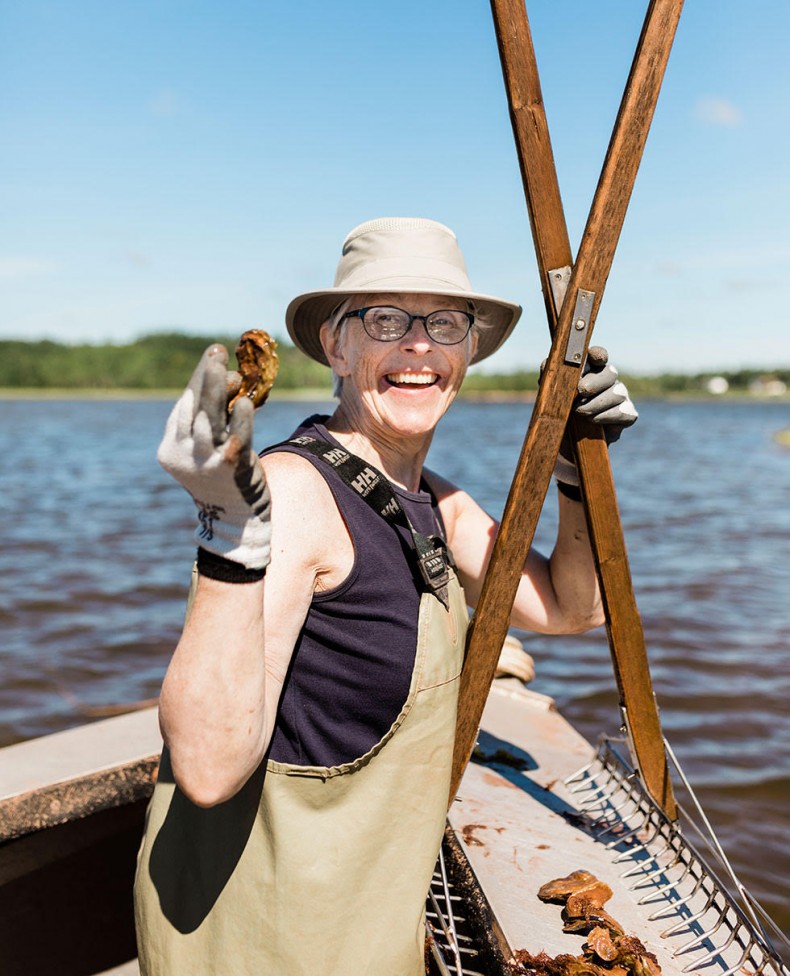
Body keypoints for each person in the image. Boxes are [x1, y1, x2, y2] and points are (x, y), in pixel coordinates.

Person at [134, 217, 637, 975]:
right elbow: (206, 768)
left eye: (444, 323)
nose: (419, 345)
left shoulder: (437, 503)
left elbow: (574, 608)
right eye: (385, 320)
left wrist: (576, 466)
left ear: (468, 351)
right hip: (269, 935)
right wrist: (230, 538)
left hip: (365, 925)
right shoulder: (298, 494)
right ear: (335, 347)